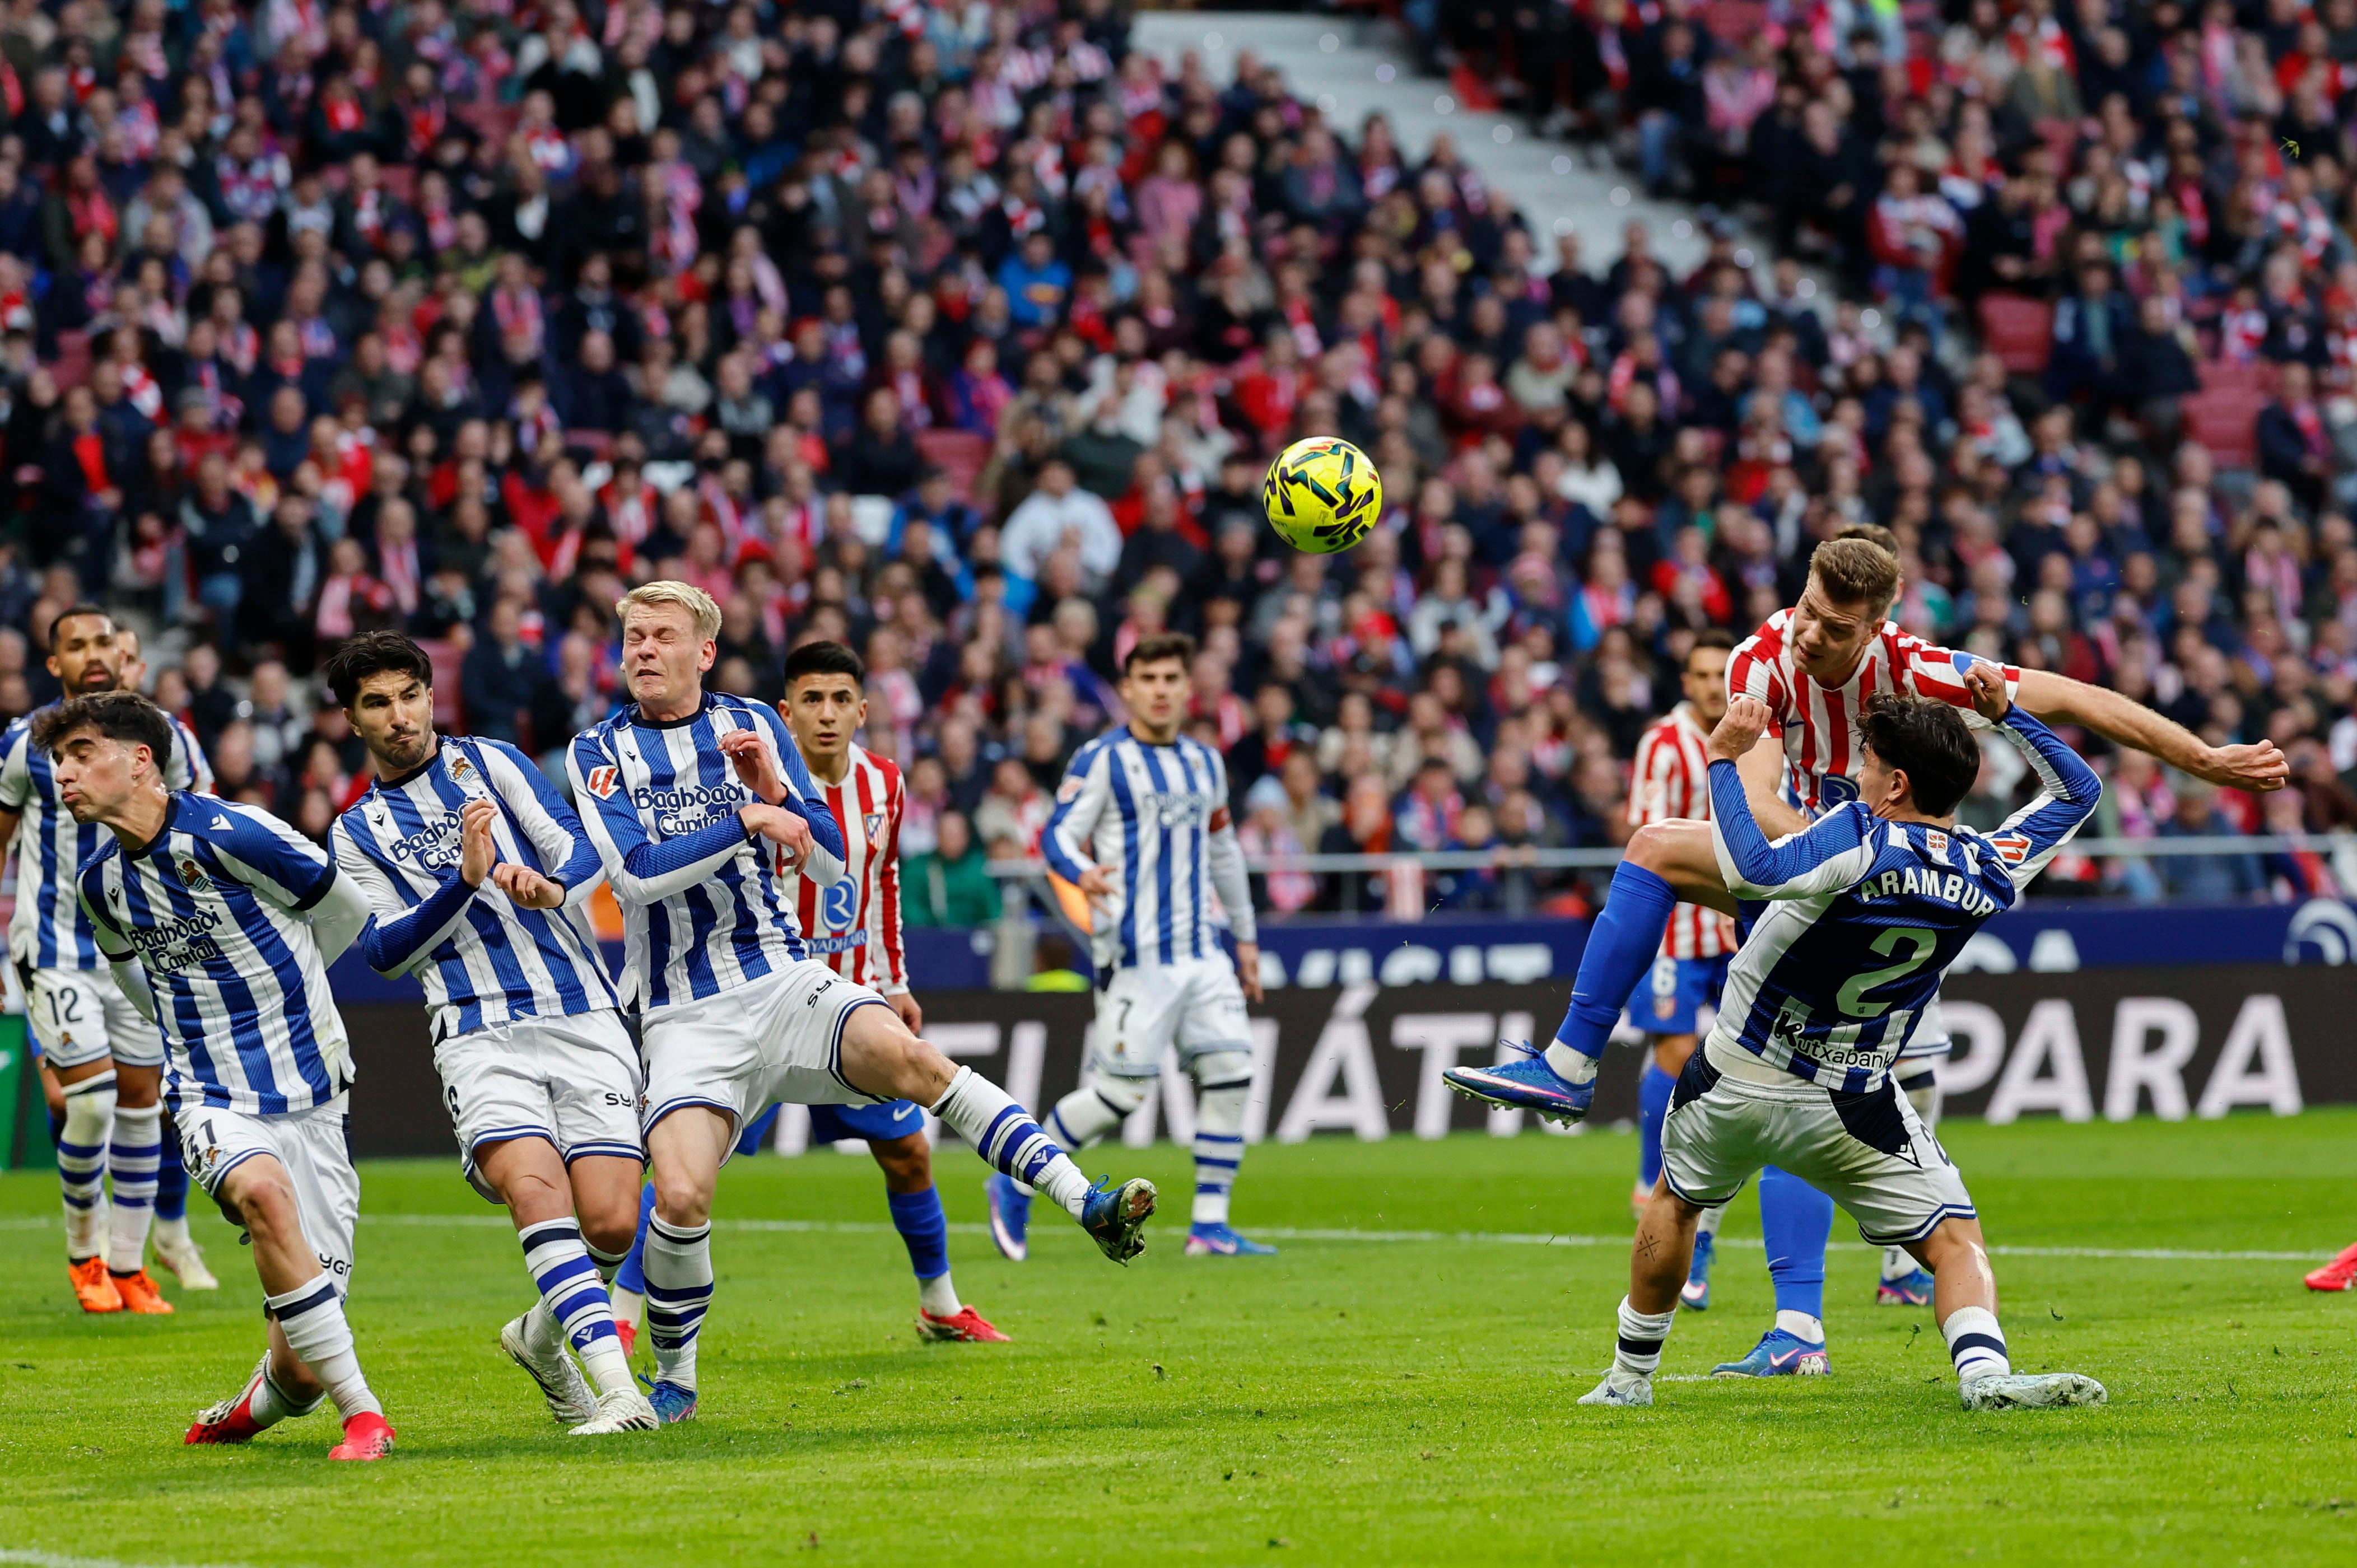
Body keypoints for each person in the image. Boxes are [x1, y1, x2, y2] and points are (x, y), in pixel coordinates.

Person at [1450, 532, 2289, 1375]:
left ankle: (1776, 1309)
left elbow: (2080, 696)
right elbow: (1764, 808)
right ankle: (1795, 1306)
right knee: (1669, 868)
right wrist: (1859, 855)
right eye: (1809, 610)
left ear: (1879, 628)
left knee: (1789, 1072)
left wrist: (2203, 759)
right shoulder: (1764, 658)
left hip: (1863, 873)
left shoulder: (1917, 667)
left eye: (1837, 627)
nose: (1811, 634)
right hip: (1839, 867)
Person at [566, 582, 1155, 1424]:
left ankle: (1082, 1202)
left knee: (917, 1064)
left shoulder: (757, 727)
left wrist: (785, 797)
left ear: (704, 652)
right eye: (633, 638)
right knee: (685, 1197)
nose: (643, 651)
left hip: (781, 977)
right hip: (683, 1014)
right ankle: (678, 1379)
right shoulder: (598, 748)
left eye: (662, 636)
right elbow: (635, 875)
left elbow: (833, 864)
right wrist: (752, 818)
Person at [1464, 666, 2109, 1411]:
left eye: (1867, 769)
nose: (1859, 780)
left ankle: (1627, 1379)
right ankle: (1985, 1376)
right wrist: (2010, 716)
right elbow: (2080, 792)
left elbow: (1755, 866)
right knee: (1954, 1238)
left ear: (1896, 784)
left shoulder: (1858, 838)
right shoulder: (1991, 867)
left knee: (1675, 1205)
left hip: (1737, 1076)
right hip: (1856, 1095)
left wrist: (1722, 759)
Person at [611, 639, 1006, 1349]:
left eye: (839, 700)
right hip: (749, 1006)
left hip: (843, 1007)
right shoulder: (743, 781)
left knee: (909, 1153)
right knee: (685, 1173)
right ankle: (624, 1316)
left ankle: (940, 1305)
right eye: (811, 701)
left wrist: (895, 981)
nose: (826, 715)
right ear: (785, 714)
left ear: (863, 710)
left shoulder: (884, 783)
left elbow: (880, 885)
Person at [324, 631, 657, 1435]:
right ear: (353, 719)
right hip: (479, 1034)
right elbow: (383, 952)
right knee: (537, 1194)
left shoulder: (495, 763)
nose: (399, 716)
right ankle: (620, 1393)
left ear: (430, 696)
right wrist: (463, 882)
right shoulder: (354, 833)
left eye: (409, 695)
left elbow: (579, 847)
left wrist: (550, 883)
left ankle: (540, 1341)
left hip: (581, 1010)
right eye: (378, 703)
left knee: (612, 1222)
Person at [51, 691, 395, 1459]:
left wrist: (292, 994)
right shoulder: (102, 885)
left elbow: (342, 910)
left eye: (81, 754)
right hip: (209, 1093)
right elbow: (131, 974)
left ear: (141, 760)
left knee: (300, 1370)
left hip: (313, 1092)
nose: (64, 776)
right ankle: (366, 1415)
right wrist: (190, 1032)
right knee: (262, 1193)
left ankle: (255, 1404)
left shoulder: (235, 833)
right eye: (58, 761)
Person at [986, 632, 1269, 1261]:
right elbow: (1057, 836)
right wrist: (1079, 871)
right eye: (1149, 679)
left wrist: (1245, 938)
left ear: (1186, 687)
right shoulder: (1102, 760)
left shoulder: (1204, 762)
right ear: (1128, 690)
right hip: (1136, 958)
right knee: (1119, 1096)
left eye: (1172, 678)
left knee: (1231, 1074)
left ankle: (1210, 1226)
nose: (1162, 690)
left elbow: (1223, 852)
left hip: (1204, 953)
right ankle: (1013, 1182)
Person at [0, 605, 215, 1314]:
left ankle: (130, 1267)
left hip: (142, 946)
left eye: (102, 641)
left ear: (122, 654)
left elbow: (201, 819)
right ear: (53, 663)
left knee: (140, 1106)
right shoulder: (23, 745)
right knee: (88, 1103)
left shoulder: (162, 739)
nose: (92, 654)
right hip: (56, 946)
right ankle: (84, 1257)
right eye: (74, 646)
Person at [1619, 630, 1741, 1302]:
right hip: (1675, 925)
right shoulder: (1661, 744)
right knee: (1674, 1052)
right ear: (1684, 679)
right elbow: (1644, 832)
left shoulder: (1753, 732)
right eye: (1698, 673)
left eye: (1719, 672)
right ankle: (1650, 1179)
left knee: (1731, 1064)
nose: (1709, 684)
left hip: (1736, 925)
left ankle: (1696, 1211)